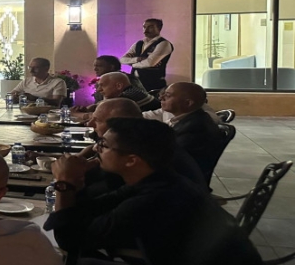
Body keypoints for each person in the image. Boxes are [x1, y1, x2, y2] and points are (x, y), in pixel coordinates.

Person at [32, 118, 282, 265]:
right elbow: (89, 212)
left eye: (104, 145)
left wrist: (65, 184)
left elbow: (69, 239)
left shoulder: (156, 200)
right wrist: (77, 181)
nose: (96, 148)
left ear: (132, 160)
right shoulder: (160, 179)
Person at [71, 98, 204, 199]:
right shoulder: (146, 140)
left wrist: (66, 183)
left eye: (98, 120)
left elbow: (95, 197)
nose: (90, 124)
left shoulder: (140, 155)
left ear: (121, 123)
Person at [159, 82, 225, 183]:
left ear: (188, 103)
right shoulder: (192, 118)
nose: (161, 98)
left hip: (178, 183)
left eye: (168, 95)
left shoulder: (195, 129)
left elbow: (168, 159)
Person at [72, 72, 159, 120]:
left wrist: (74, 114)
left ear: (119, 86)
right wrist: (88, 109)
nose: (98, 90)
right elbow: (100, 107)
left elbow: (102, 117)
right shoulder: (129, 91)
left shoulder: (130, 96)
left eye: (102, 85)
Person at [119, 18, 174, 92]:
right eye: (144, 27)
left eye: (150, 27)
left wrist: (132, 64)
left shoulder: (164, 44)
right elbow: (122, 60)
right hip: (136, 84)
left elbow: (150, 63)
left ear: (159, 28)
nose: (146, 30)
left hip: (154, 84)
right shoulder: (139, 43)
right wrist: (137, 59)